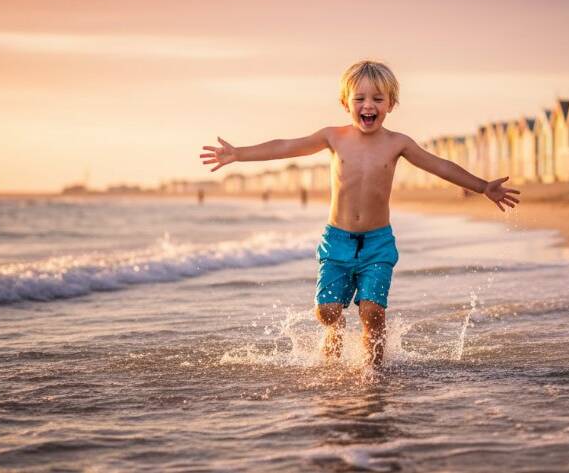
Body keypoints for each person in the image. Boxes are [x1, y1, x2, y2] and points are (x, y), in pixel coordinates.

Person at [200, 60, 520, 365]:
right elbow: (286, 146)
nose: (369, 105)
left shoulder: (398, 143)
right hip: (336, 241)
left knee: (372, 313)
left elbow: (440, 165)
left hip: (377, 244)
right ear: (345, 102)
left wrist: (481, 186)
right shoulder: (333, 138)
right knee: (326, 311)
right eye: (360, 98)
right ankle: (335, 332)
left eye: (378, 99)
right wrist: (239, 154)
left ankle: (373, 377)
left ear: (390, 104)